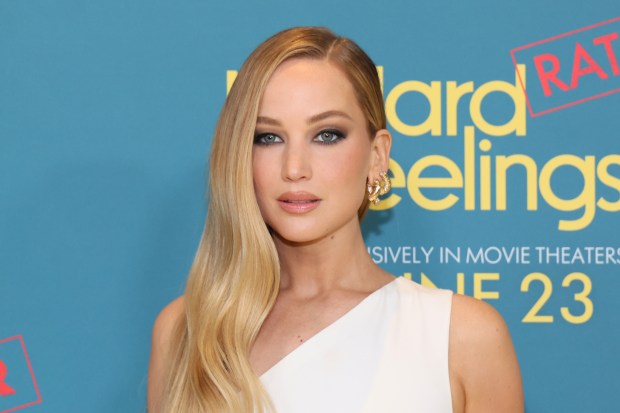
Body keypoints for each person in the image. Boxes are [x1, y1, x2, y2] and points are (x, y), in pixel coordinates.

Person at [147, 26, 524, 413]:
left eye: (326, 135)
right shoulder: (185, 332)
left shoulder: (462, 336)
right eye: (268, 137)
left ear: (377, 156)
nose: (294, 168)